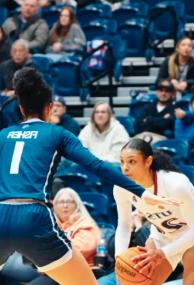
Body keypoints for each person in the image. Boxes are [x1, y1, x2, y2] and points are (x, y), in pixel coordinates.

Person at [0, 67, 177, 285]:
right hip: (33, 216)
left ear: (20, 107)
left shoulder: (4, 135)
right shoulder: (56, 133)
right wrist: (141, 192)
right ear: (49, 108)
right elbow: (97, 166)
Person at [114, 138, 194, 285]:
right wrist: (119, 256)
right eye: (122, 161)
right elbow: (124, 225)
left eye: (132, 161)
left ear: (148, 161)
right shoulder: (121, 187)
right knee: (138, 279)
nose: (125, 167)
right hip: (163, 235)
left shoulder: (176, 184)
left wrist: (162, 253)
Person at [2, 187, 102, 285]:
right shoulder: (51, 223)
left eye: (70, 202)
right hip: (44, 268)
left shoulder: (84, 223)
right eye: (61, 202)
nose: (65, 205)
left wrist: (44, 251)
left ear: (77, 205)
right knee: (7, 267)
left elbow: (84, 247)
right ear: (54, 205)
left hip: (73, 272)